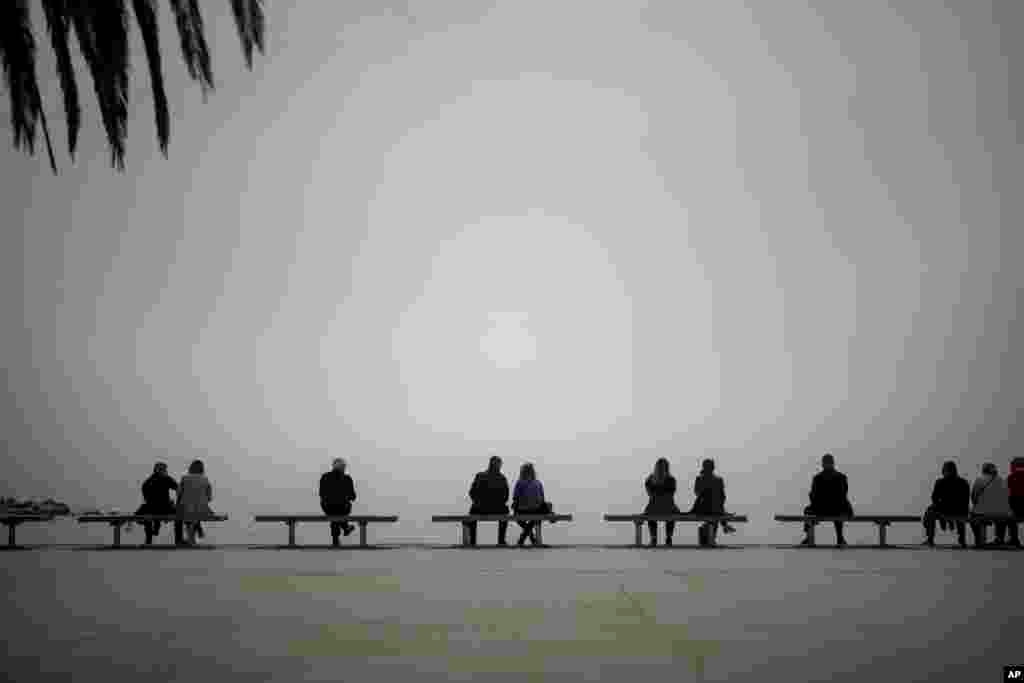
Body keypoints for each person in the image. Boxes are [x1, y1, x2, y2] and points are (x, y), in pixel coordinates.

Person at [801, 453, 852, 547]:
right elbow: (843, 495)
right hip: (836, 507)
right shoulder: (841, 477)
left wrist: (816, 500)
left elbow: (813, 495)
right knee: (839, 510)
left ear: (823, 464)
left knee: (809, 510)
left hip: (824, 508)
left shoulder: (818, 478)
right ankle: (840, 538)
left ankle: (809, 536)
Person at [921, 461, 970, 548]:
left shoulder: (940, 482)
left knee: (929, 512)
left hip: (944, 510)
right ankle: (962, 539)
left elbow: (934, 498)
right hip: (960, 510)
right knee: (960, 514)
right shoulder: (963, 482)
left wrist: (940, 508)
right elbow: (966, 500)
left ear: (943, 471)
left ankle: (930, 538)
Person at [690, 459, 737, 547]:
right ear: (713, 468)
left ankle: (720, 530)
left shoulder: (700, 478)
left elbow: (696, 493)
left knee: (714, 507)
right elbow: (722, 496)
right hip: (711, 507)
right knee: (715, 508)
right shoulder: (718, 479)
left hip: (703, 507)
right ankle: (723, 527)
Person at [467, 455, 510, 546]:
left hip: (479, 509)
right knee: (505, 511)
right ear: (499, 465)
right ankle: (501, 540)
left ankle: (472, 541)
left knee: (472, 512)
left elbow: (471, 492)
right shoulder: (502, 478)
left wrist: (478, 502)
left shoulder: (480, 476)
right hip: (498, 509)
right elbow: (506, 496)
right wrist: (498, 503)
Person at [970, 462, 1012, 547]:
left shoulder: (979, 480)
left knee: (973, 518)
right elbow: (1007, 496)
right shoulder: (1002, 480)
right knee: (1001, 514)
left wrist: (976, 505)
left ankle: (979, 539)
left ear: (983, 470)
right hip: (1002, 512)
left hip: (982, 512)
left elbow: (974, 496)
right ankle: (999, 539)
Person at [136, 462, 178, 545]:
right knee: (180, 515)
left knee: (146, 514)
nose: (166, 471)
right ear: (162, 470)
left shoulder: (147, 482)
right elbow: (178, 488)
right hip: (165, 508)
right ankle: (178, 539)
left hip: (150, 508)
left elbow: (146, 497)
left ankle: (149, 538)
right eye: (165, 470)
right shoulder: (167, 479)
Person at [511, 463, 552, 546]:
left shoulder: (520, 483)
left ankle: (525, 538)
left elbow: (515, 497)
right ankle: (531, 539)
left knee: (519, 519)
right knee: (536, 518)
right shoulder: (538, 483)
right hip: (536, 510)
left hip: (523, 510)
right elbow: (542, 498)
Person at [319, 458, 356, 547]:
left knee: (334, 515)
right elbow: (353, 497)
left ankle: (337, 538)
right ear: (343, 468)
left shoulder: (325, 477)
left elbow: (321, 493)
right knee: (339, 511)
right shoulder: (347, 479)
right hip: (343, 508)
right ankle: (345, 527)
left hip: (327, 507)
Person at [176, 459, 213, 546]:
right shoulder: (205, 479)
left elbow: (179, 493)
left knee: (187, 513)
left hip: (186, 508)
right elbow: (209, 497)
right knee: (195, 513)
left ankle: (191, 538)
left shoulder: (184, 478)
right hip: (202, 508)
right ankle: (195, 534)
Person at [644, 458, 680, 546]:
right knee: (672, 516)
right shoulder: (671, 479)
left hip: (653, 507)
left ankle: (653, 538)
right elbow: (671, 494)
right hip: (668, 507)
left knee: (650, 515)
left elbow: (649, 494)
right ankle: (668, 538)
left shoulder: (650, 479)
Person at [1008, 457, 1024, 548]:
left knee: (1010, 519)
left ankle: (1014, 539)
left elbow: (1008, 494)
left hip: (1015, 509)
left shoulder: (1011, 477)